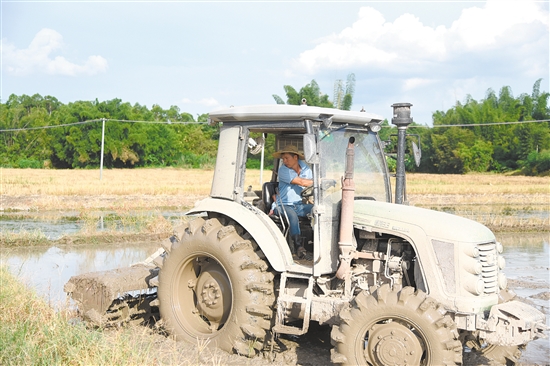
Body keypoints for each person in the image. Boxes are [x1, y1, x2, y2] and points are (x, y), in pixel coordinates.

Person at [271, 145, 313, 259]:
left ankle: (317, 241)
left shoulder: (307, 170)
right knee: (293, 216)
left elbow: (309, 185)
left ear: (295, 157)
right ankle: (299, 247)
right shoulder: (283, 170)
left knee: (317, 209)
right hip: (282, 205)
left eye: (286, 158)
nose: (284, 161)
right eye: (282, 158)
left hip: (298, 205)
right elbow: (303, 182)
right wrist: (319, 181)